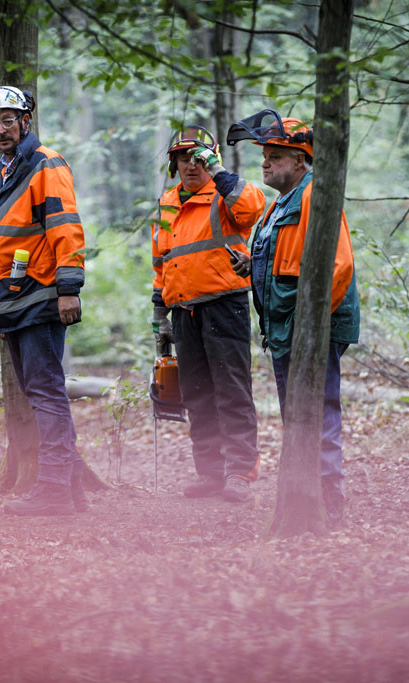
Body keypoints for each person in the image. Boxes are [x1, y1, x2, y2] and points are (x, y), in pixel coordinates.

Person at [226, 110, 360, 524]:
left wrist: (312, 328)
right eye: (264, 155)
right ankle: (307, 492)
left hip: (308, 329)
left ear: (300, 160)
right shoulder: (277, 205)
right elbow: (287, 261)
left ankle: (328, 498)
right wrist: (252, 267)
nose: (265, 162)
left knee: (316, 410)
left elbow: (336, 267)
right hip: (285, 327)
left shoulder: (314, 196)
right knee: (297, 414)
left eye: (276, 156)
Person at [0, 86, 87, 516]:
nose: (1, 130)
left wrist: (68, 288)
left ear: (25, 121)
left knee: (45, 390)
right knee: (37, 389)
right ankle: (71, 486)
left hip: (40, 295)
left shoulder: (45, 163)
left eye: (8, 121)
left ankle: (55, 486)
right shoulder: (7, 169)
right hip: (15, 299)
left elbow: (65, 226)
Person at [151, 125, 266, 503]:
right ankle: (210, 473)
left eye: (199, 157)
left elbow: (253, 207)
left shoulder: (225, 193)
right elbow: (161, 260)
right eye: (184, 157)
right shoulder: (167, 202)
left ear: (212, 160)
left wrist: (218, 171)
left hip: (224, 304)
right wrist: (160, 314)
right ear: (174, 163)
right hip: (183, 310)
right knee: (196, 395)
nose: (191, 164)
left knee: (231, 390)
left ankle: (240, 472)